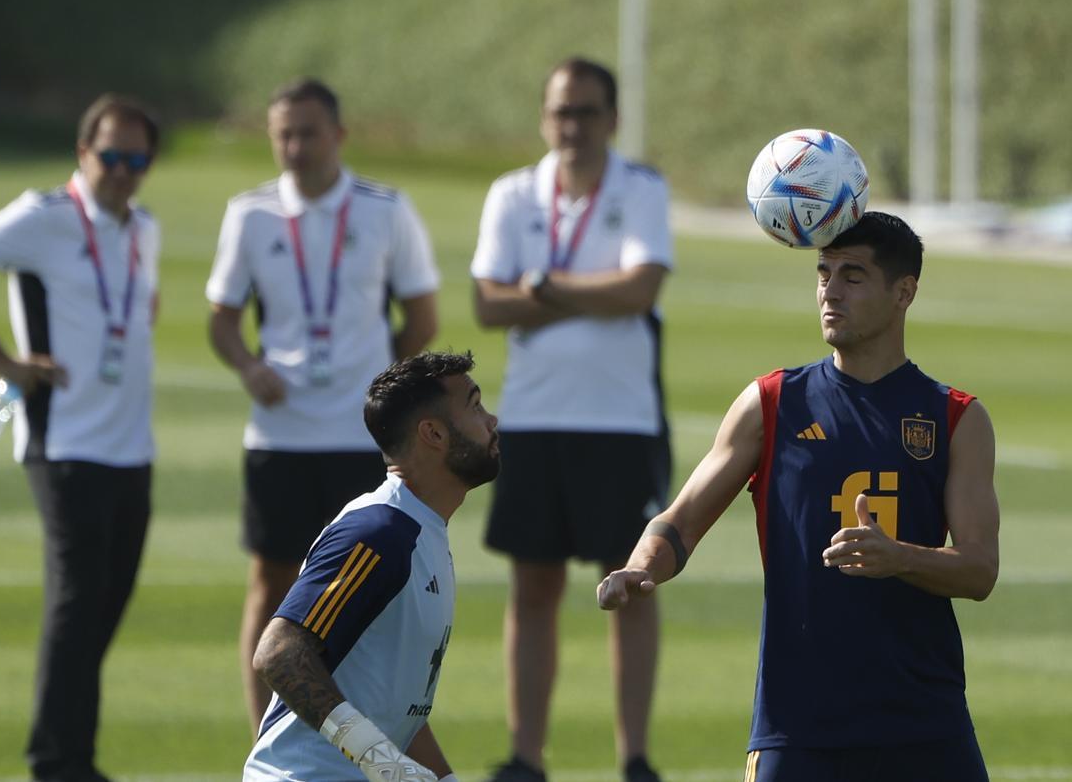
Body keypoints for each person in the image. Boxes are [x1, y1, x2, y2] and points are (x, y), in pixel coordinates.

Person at [598, 212, 1000, 782]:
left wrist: (900, 558)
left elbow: (981, 570)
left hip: (924, 721)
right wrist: (640, 569)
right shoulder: (771, 402)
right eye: (823, 273)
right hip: (798, 725)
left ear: (903, 292)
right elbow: (680, 521)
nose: (830, 292)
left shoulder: (955, 417)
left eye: (853, 276)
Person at [0, 94, 162, 782]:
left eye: (135, 158)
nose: (121, 169)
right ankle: (60, 763)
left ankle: (66, 753)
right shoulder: (45, 216)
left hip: (132, 447)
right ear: (83, 153)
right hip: (66, 444)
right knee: (78, 603)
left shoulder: (144, 226)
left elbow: (140, 310)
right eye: (109, 155)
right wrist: (4, 362)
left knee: (104, 604)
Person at [205, 77, 441, 735]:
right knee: (271, 581)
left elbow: (422, 315)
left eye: (308, 132)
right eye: (283, 133)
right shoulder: (249, 213)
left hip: (360, 438)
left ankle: (362, 731)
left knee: (365, 591)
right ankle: (265, 737)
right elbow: (222, 318)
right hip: (278, 434)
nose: (295, 146)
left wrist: (380, 387)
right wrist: (250, 365)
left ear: (338, 135)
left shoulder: (385, 208)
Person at [470, 57, 673, 782]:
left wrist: (546, 287)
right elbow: (488, 305)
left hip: (620, 420)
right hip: (531, 417)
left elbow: (639, 288)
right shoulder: (512, 193)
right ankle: (526, 755)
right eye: (560, 111)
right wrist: (580, 291)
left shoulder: (640, 187)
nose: (572, 126)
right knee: (533, 588)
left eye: (586, 112)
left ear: (612, 119)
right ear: (543, 118)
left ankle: (635, 757)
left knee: (633, 581)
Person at [242, 350, 499, 781]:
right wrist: (381, 760)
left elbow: (399, 711)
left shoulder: (423, 533)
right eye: (475, 406)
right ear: (433, 433)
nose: (492, 421)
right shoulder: (380, 532)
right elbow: (279, 654)